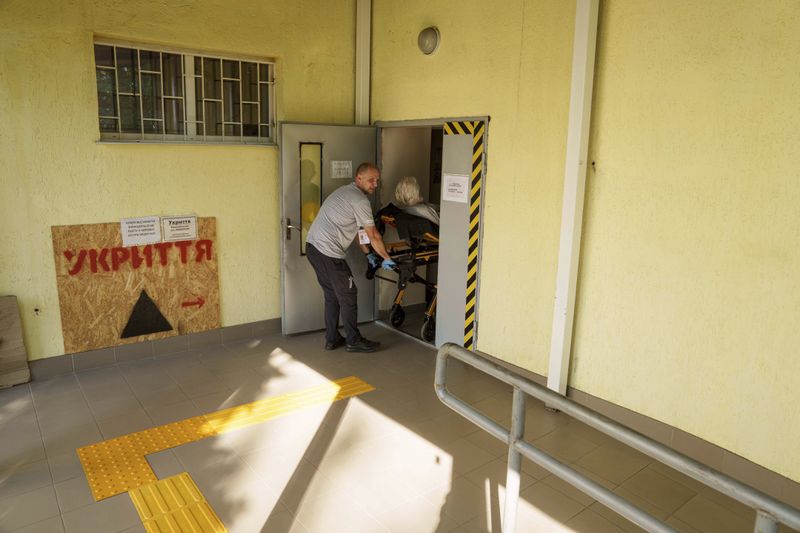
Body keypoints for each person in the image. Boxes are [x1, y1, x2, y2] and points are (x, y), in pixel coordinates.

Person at [305, 162, 396, 353]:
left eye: (377, 180)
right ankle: (353, 340)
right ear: (358, 178)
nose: (375, 184)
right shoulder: (360, 200)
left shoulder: (345, 192)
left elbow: (357, 230)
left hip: (313, 248)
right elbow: (373, 235)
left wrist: (368, 253)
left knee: (332, 295)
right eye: (371, 180)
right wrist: (386, 257)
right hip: (328, 252)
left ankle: (332, 338)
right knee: (348, 294)